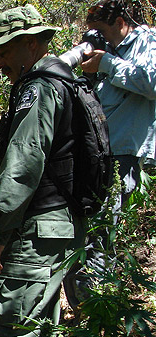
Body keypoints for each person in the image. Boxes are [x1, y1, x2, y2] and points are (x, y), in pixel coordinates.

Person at [0, 5, 85, 337]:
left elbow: (22, 166)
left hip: (34, 232)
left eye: (5, 50)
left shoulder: (38, 89)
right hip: (62, 230)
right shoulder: (68, 81)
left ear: (32, 42)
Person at [63, 0, 156, 309]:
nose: (97, 35)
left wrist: (107, 65)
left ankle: (95, 309)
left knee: (100, 231)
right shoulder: (99, 47)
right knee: (76, 228)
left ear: (119, 22)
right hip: (88, 152)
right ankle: (83, 305)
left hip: (122, 152)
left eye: (101, 29)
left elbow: (152, 82)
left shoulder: (148, 42)